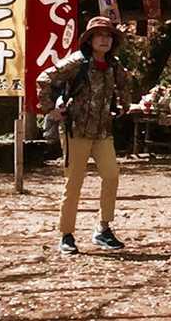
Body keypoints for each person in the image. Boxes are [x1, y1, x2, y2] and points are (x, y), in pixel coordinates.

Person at [37, 16, 129, 255]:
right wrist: (50, 109)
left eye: (108, 36)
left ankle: (103, 228)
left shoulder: (114, 65)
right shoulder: (77, 62)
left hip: (102, 131)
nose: (104, 40)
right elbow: (45, 78)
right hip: (75, 130)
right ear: (89, 40)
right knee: (74, 183)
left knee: (111, 175)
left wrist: (124, 104)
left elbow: (124, 84)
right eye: (99, 35)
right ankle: (66, 234)